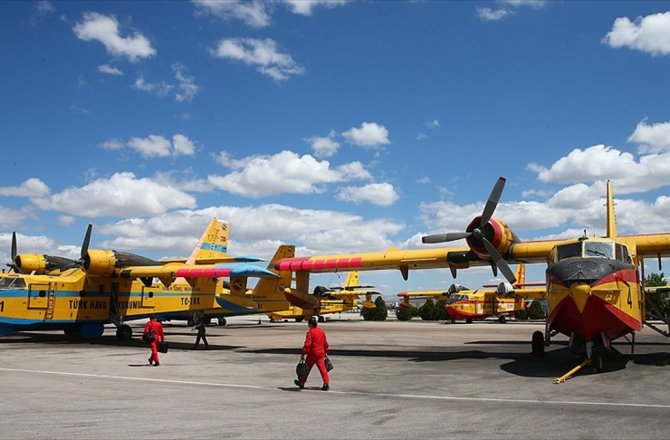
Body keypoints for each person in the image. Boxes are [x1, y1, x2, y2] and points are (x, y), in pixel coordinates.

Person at [294, 316, 330, 391]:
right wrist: (325, 352)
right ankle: (326, 383)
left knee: (306, 368)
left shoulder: (311, 332)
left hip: (312, 353)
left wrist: (303, 353)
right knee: (322, 368)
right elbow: (325, 343)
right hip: (320, 353)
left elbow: (307, 344)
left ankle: (302, 382)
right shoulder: (321, 331)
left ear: (310, 324)